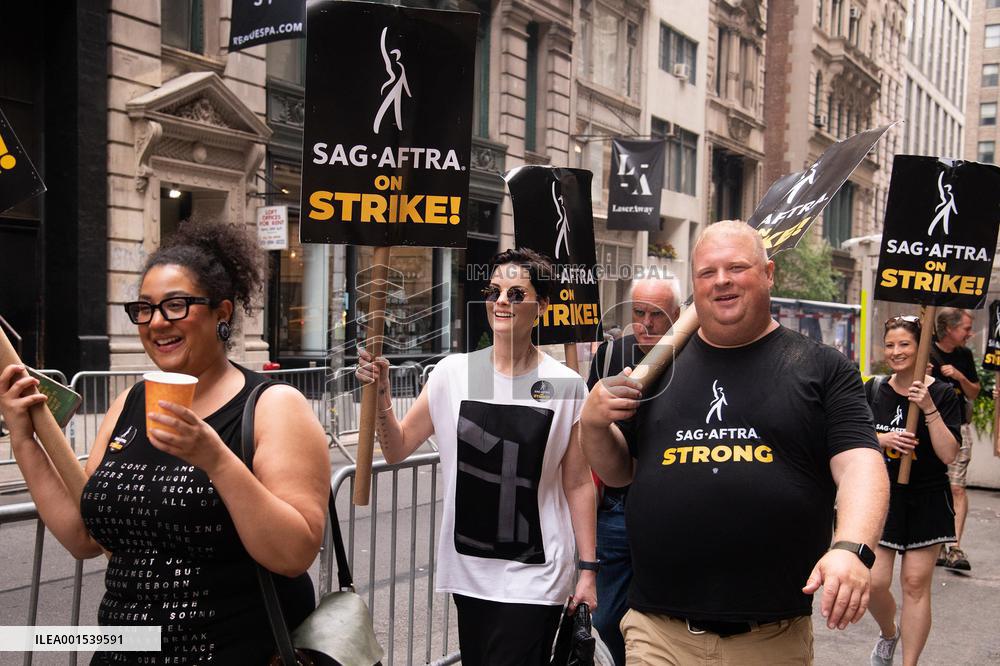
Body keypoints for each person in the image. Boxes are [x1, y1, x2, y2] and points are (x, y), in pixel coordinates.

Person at [0, 220, 330, 665]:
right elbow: (85, 537)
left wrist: (215, 459)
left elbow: (294, 553)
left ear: (223, 313)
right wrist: (24, 440)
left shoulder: (274, 406)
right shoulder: (128, 403)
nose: (157, 323)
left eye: (176, 305)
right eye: (145, 308)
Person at [580, 220, 889, 665]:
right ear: (694, 285)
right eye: (707, 272)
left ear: (769, 273)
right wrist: (593, 425)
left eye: (737, 267)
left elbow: (860, 462)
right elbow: (619, 471)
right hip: (657, 631)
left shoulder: (822, 367)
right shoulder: (654, 368)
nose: (722, 280)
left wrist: (852, 546)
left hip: (769, 638)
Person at [357, 248, 596, 666]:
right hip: (468, 574)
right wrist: (380, 395)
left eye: (516, 294)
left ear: (541, 306)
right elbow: (396, 449)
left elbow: (577, 483)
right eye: (494, 291)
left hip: (537, 576)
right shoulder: (454, 373)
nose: (501, 301)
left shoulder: (565, 385)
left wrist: (589, 570)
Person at [586, 275, 681, 666]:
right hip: (616, 509)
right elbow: (587, 426)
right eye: (638, 312)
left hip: (670, 507)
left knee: (666, 615)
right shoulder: (611, 355)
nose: (646, 323)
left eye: (656, 314)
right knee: (606, 618)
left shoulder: (693, 357)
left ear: (677, 316)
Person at [866, 315, 961, 666]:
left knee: (915, 584)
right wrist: (883, 438)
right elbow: (853, 438)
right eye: (890, 345)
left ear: (920, 348)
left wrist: (928, 408)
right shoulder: (875, 389)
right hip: (884, 496)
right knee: (874, 582)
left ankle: (909, 663)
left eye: (905, 344)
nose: (896, 351)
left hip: (928, 497)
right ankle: (889, 633)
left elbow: (949, 453)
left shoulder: (940, 393)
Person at [928, 307, 979, 571]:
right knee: (935, 485)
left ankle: (955, 547)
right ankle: (936, 544)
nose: (970, 334)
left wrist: (960, 377)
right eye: (966, 329)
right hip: (927, 430)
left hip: (957, 426)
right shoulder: (926, 352)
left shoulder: (964, 355)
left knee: (957, 486)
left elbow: (975, 391)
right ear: (949, 329)